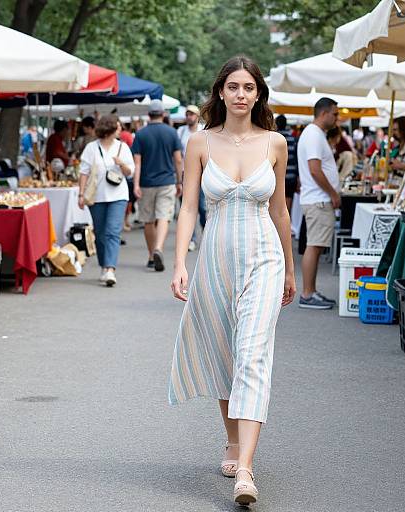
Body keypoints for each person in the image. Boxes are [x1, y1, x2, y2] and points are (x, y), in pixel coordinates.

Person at [169, 55, 295, 506]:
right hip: (216, 258)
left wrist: (291, 269)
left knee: (252, 354)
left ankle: (246, 469)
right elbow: (187, 208)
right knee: (226, 354)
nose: (241, 94)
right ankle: (231, 439)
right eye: (233, 86)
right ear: (220, 92)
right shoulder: (199, 142)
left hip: (264, 258)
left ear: (258, 93)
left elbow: (280, 211)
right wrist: (181, 262)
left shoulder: (276, 144)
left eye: (248, 87)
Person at [78, 115, 135, 286]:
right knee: (100, 233)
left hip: (118, 196)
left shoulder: (122, 147)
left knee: (112, 232)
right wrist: (81, 194)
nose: (120, 130)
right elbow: (83, 172)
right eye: (117, 127)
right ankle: (104, 265)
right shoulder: (91, 148)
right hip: (97, 197)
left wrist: (121, 164)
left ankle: (110, 269)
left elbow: (130, 172)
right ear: (109, 129)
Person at [297, 97, 340, 310]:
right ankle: (307, 293)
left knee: (315, 245)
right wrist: (332, 193)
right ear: (323, 113)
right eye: (335, 114)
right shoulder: (314, 135)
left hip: (316, 198)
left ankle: (311, 291)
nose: (337, 118)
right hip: (318, 200)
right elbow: (314, 169)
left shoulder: (313, 134)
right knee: (314, 246)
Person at [132, 99, 183, 271]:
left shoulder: (140, 134)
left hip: (146, 182)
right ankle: (158, 248)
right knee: (163, 216)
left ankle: (150, 255)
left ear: (149, 115)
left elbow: (137, 163)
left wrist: (136, 184)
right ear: (163, 114)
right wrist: (180, 181)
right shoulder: (171, 133)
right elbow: (178, 160)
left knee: (148, 220)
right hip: (167, 181)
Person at [177, 105, 206, 251]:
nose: (189, 117)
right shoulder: (181, 131)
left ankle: (207, 234)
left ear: (197, 116)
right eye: (187, 114)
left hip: (201, 174)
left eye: (192, 114)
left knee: (202, 206)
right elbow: (177, 154)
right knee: (187, 206)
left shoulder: (203, 131)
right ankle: (191, 238)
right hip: (184, 173)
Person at [275, 114, 298, 213]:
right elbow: (296, 158)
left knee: (276, 203)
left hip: (276, 176)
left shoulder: (273, 139)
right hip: (291, 176)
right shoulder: (292, 139)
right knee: (288, 204)